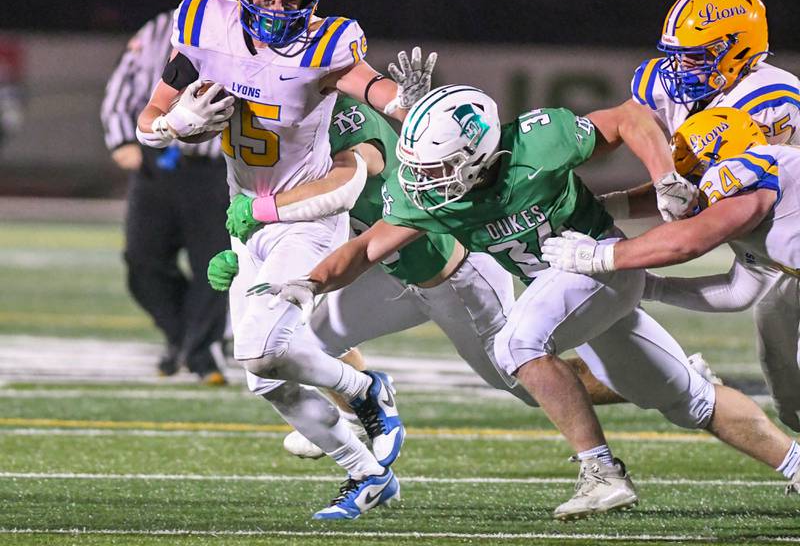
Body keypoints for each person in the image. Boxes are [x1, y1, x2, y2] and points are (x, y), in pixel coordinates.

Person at [249, 83, 783, 520]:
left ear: (480, 153)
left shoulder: (541, 139)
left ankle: (601, 470)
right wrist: (313, 282)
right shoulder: (428, 192)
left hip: (601, 263)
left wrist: (665, 177)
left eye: (438, 169)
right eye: (421, 170)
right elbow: (368, 246)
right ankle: (797, 463)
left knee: (516, 344)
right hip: (564, 289)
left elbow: (630, 118)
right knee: (692, 400)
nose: (425, 183)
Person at [136, 0, 436, 520]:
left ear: (313, 0)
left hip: (305, 217)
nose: (278, 8)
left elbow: (374, 88)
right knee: (264, 377)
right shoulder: (203, 25)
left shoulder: (327, 45)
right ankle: (368, 476)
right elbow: (148, 121)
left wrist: (410, 106)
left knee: (257, 347)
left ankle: (366, 391)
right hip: (244, 218)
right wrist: (176, 126)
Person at [210, 94, 627, 460]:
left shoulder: (340, 116)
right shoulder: (275, 121)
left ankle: (656, 381)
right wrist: (249, 255)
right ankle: (363, 412)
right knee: (296, 344)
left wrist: (267, 212)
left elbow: (343, 186)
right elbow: (310, 227)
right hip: (383, 269)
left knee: (521, 381)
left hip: (452, 275)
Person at [541, 106, 800, 495]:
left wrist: (600, 257)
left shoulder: (751, 173)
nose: (680, 188)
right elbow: (737, 292)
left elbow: (688, 241)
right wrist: (652, 286)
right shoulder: (772, 208)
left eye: (690, 176)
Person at [583, 0, 800, 431]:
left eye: (699, 54)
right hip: (769, 244)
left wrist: (605, 255)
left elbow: (706, 219)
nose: (681, 65)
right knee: (788, 388)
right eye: (678, 53)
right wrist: (617, 200)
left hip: (772, 219)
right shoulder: (667, 83)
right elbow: (629, 125)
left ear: (738, 49)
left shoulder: (771, 100)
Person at [100, 0, 236, 384]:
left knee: (213, 266)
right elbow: (122, 90)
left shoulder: (248, 36)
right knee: (143, 261)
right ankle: (182, 338)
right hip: (160, 163)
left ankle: (201, 354)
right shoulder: (159, 31)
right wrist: (125, 141)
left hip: (219, 169)